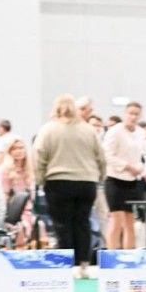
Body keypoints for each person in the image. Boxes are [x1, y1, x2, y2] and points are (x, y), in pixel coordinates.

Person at [34, 95, 106, 278]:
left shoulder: (48, 129)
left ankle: (68, 264)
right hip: (86, 183)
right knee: (83, 223)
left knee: (62, 225)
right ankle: (84, 264)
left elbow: (39, 156)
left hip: (58, 182)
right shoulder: (88, 130)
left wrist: (40, 179)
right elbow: (101, 156)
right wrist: (100, 177)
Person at [103, 102, 146, 249]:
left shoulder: (141, 133)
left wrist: (139, 168)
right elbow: (107, 155)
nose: (133, 117)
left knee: (130, 223)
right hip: (115, 180)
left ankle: (128, 256)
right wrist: (127, 166)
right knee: (116, 222)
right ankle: (110, 255)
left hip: (133, 181)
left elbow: (141, 155)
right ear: (125, 114)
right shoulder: (115, 131)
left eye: (136, 114)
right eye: (130, 113)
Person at [0, 137, 37, 247]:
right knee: (21, 227)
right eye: (14, 148)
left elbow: (32, 196)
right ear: (9, 152)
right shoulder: (4, 171)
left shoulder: (29, 170)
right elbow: (3, 196)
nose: (19, 151)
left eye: (21, 148)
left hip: (28, 210)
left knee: (40, 224)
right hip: (11, 212)